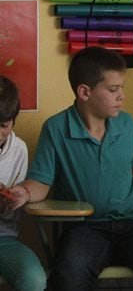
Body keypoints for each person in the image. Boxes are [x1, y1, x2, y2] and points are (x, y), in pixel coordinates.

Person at [0, 47, 133, 291]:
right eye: (113, 90)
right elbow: (41, 181)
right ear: (84, 92)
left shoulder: (126, 123)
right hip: (84, 228)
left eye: (122, 88)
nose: (121, 96)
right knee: (68, 276)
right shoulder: (56, 128)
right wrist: (24, 193)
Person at [0, 76, 47, 291]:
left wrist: (12, 200)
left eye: (3, 125)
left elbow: (13, 213)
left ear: (13, 121)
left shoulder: (18, 149)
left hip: (4, 239)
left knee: (34, 279)